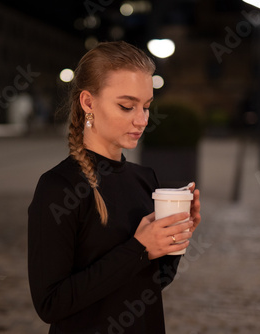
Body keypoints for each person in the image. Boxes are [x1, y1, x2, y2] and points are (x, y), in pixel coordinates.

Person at [28, 41, 201, 334]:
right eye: (126, 106)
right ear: (88, 103)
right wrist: (139, 248)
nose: (142, 119)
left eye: (146, 106)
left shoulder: (145, 178)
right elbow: (51, 304)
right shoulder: (58, 187)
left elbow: (151, 282)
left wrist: (173, 240)